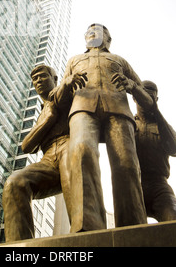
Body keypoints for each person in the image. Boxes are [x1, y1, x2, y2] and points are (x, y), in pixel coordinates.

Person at [60, 23, 147, 232]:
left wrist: (132, 86)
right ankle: (86, 224)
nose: (92, 32)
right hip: (82, 107)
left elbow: (147, 97)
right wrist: (67, 82)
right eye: (88, 31)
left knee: (126, 162)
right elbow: (59, 98)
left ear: (108, 39)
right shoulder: (74, 60)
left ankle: (133, 227)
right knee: (81, 152)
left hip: (118, 109)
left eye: (98, 30)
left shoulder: (119, 60)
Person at [2, 64, 85, 241]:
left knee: (72, 175)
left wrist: (67, 83)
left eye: (42, 76)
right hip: (48, 159)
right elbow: (26, 146)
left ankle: (83, 236)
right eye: (35, 79)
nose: (38, 81)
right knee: (15, 183)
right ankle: (19, 246)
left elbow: (64, 94)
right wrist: (48, 119)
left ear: (55, 79)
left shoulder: (67, 94)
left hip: (69, 145)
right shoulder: (43, 112)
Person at [112, 75, 176, 222]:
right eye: (143, 94)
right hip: (133, 185)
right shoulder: (127, 123)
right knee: (128, 232)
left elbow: (174, 149)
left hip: (159, 186)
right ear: (135, 98)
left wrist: (156, 112)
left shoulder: (163, 126)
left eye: (151, 97)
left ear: (156, 100)